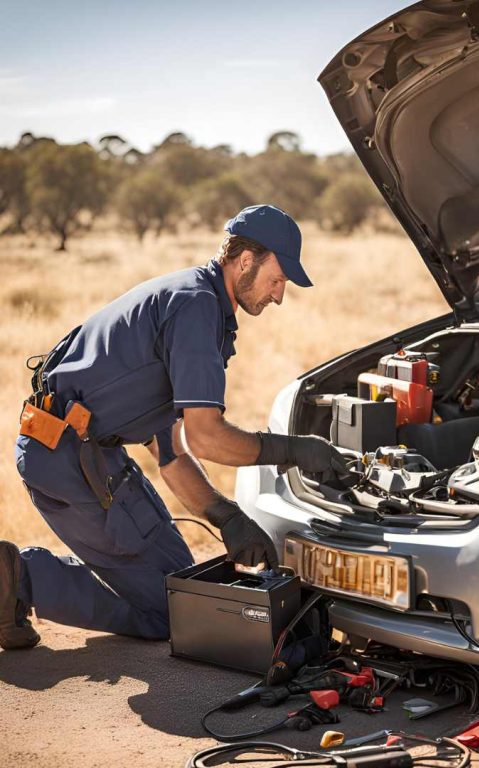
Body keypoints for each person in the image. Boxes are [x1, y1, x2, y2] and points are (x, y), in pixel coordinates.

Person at [0, 204, 349, 651]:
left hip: (90, 452)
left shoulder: (197, 300)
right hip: (64, 461)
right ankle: (19, 578)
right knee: (171, 611)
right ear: (245, 261)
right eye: (277, 280)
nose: (279, 296)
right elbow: (207, 436)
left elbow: (172, 455)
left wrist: (227, 516)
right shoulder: (196, 307)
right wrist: (296, 451)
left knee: (183, 585)